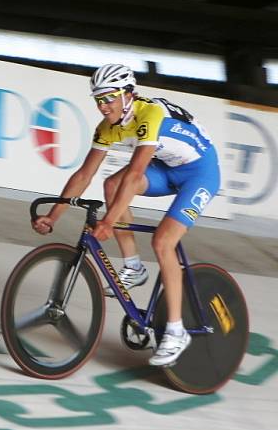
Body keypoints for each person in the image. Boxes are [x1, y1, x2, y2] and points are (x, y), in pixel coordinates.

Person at [31, 64, 220, 366]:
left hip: (200, 173)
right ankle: (134, 266)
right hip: (167, 169)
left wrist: (108, 222)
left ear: (127, 94)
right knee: (110, 183)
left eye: (109, 98)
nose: (103, 106)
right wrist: (54, 215)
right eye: (98, 100)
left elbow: (134, 175)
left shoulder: (150, 115)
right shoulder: (108, 126)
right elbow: (84, 175)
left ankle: (175, 331)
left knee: (162, 242)